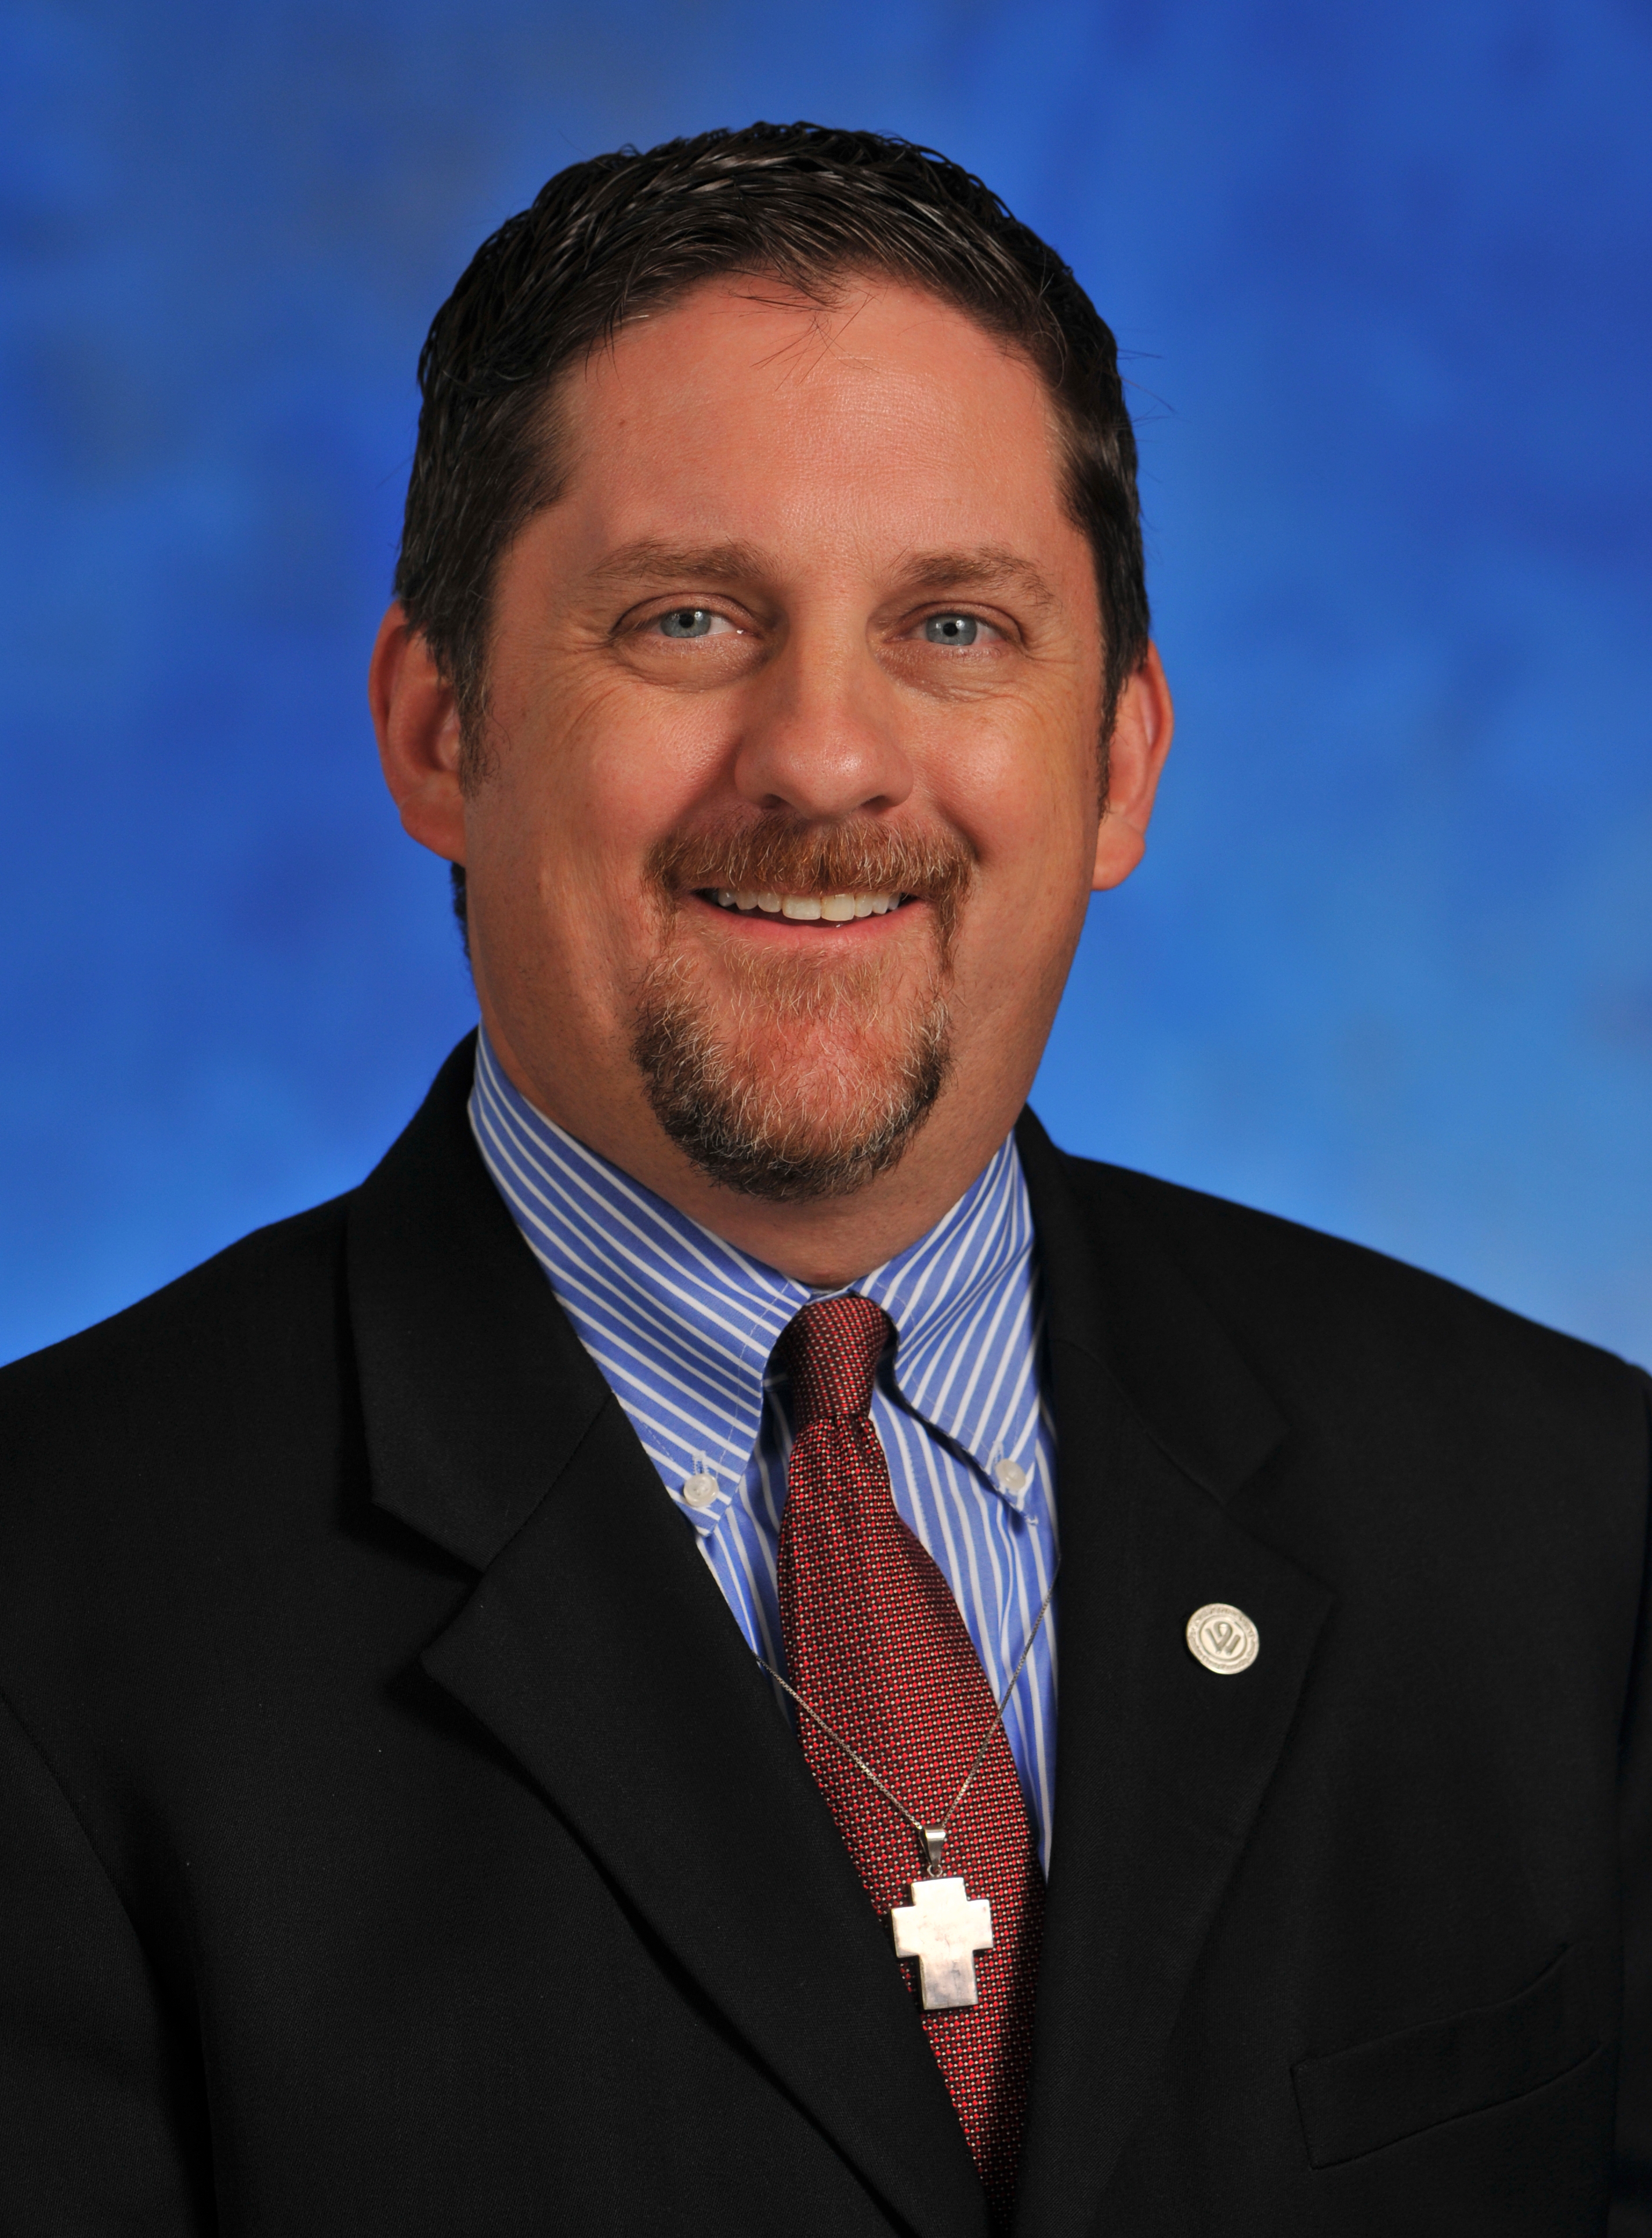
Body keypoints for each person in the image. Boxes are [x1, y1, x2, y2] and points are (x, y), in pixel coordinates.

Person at [0, 121, 1647, 2237]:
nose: (827, 759)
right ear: (441, 729)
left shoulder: (1569, 1530)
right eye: (688, 617)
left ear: (1118, 762)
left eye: (954, 624)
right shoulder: (52, 1616)